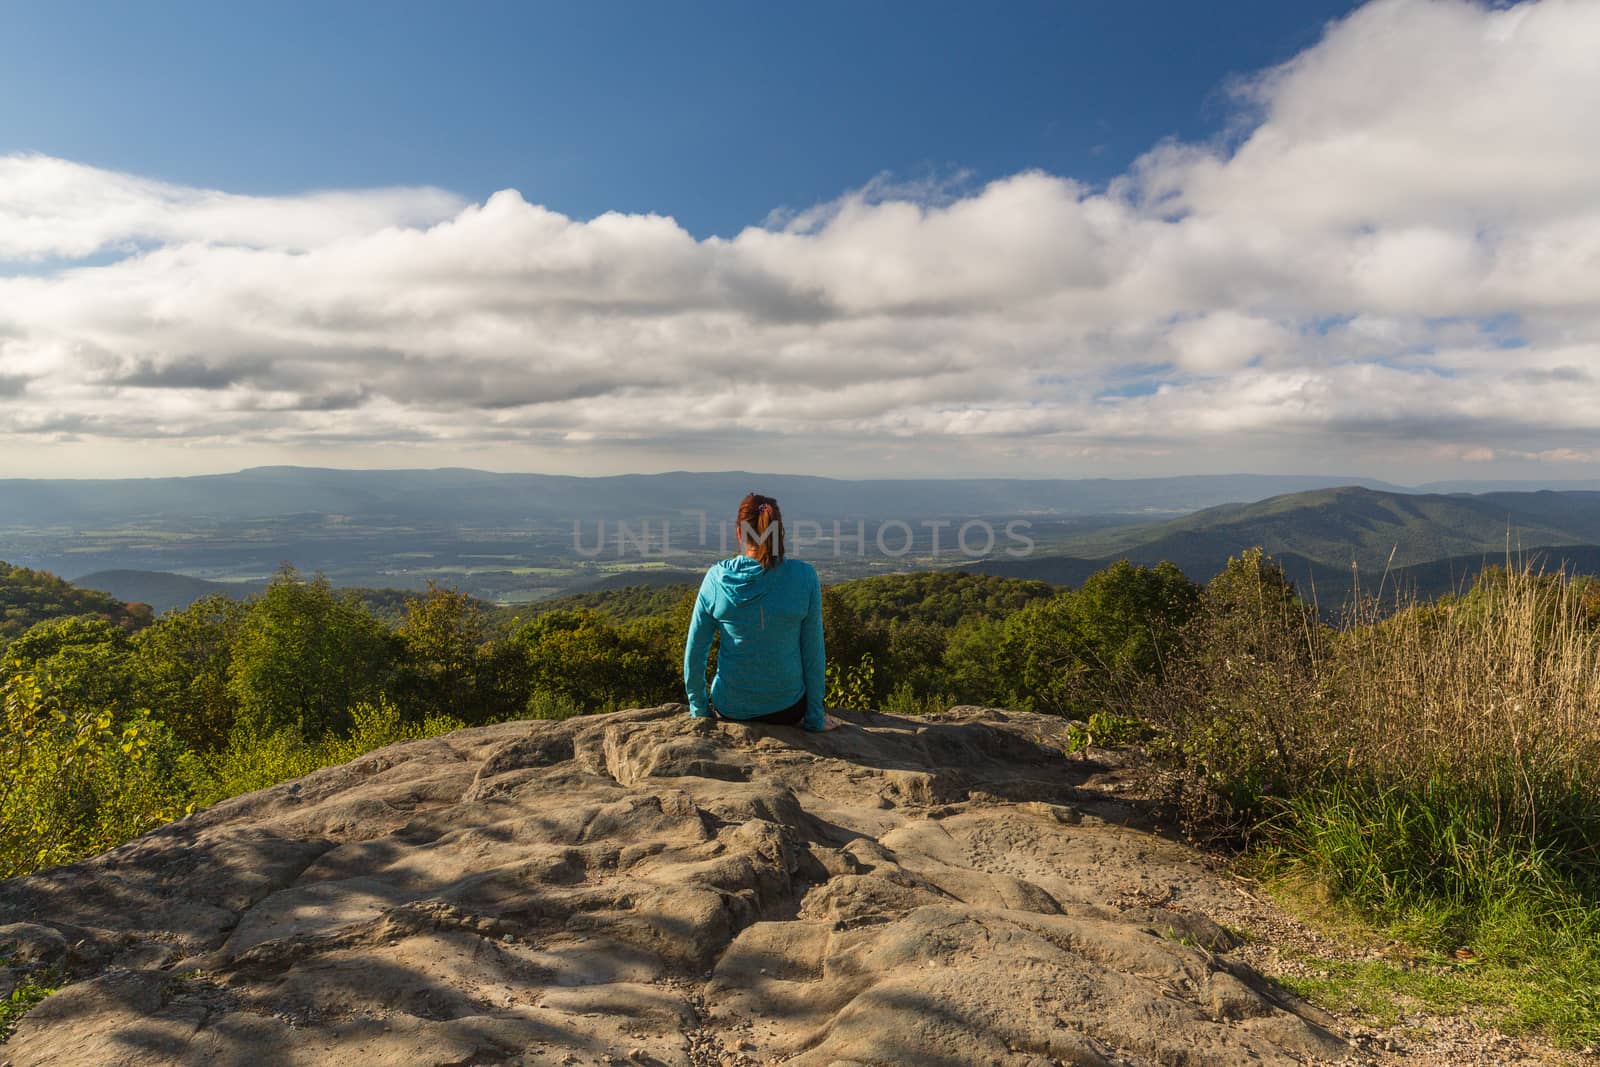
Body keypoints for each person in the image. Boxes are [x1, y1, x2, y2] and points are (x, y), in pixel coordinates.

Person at [683, 493, 842, 731]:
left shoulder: (716, 580)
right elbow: (813, 654)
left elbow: (694, 654)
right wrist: (815, 719)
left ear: (739, 533)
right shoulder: (805, 577)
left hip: (731, 708)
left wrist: (700, 712)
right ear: (780, 532)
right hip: (787, 709)